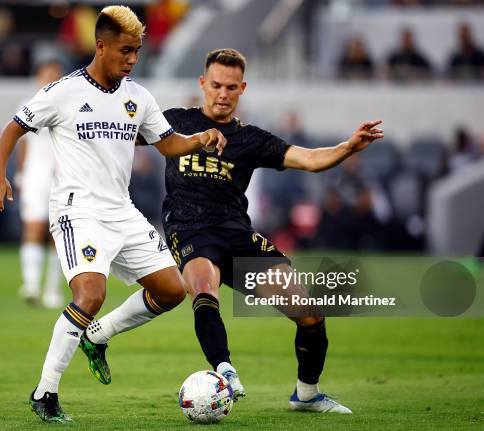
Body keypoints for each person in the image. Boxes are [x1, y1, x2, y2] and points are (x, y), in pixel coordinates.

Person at [87, 48, 384, 414]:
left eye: (231, 87)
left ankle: (307, 394)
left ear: (242, 88)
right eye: (216, 85)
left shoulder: (251, 139)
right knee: (203, 288)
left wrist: (349, 146)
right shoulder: (174, 121)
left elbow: (308, 159)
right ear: (202, 84)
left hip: (237, 234)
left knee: (310, 313)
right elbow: (115, 136)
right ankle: (224, 369)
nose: (222, 94)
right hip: (190, 228)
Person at [0, 5, 226, 423]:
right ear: (101, 46)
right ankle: (45, 392)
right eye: (126, 51)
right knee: (90, 295)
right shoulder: (64, 91)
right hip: (78, 211)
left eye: (137, 51)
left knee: (172, 290)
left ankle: (98, 336)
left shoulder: (138, 97)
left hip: (122, 210)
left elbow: (166, 143)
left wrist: (199, 139)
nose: (133, 60)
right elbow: (13, 127)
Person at [15, 60, 65, 308]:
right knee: (33, 228)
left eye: (55, 75)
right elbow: (22, 143)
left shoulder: (69, 106)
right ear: (38, 78)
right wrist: (20, 175)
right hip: (35, 176)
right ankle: (31, 285)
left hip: (63, 178)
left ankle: (52, 289)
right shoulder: (27, 106)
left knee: (57, 235)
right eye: (46, 75)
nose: (50, 80)